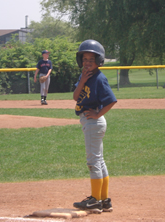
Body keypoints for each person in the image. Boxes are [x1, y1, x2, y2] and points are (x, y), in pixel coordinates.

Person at [72, 40, 117, 214]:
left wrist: (98, 114)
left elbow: (112, 100)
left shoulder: (99, 78)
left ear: (99, 60)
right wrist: (82, 80)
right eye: (84, 59)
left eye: (91, 59)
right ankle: (104, 200)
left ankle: (95, 200)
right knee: (99, 161)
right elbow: (76, 97)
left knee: (93, 162)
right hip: (90, 122)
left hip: (93, 122)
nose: (87, 62)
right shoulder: (84, 76)